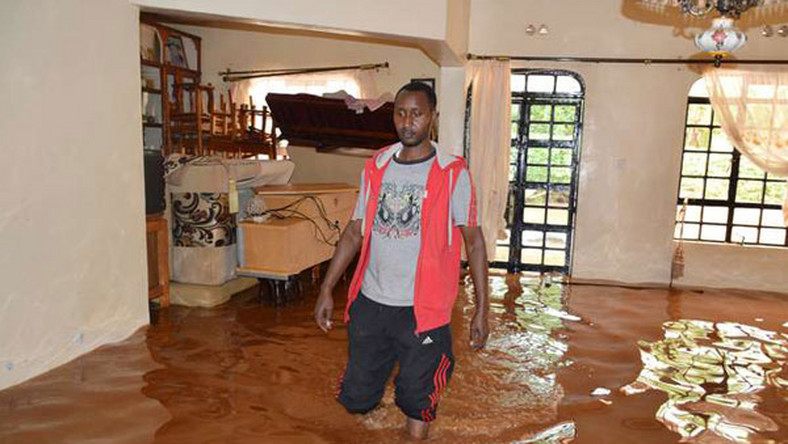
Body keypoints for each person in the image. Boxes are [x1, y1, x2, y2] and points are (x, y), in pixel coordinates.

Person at [313, 81, 489, 440]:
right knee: (357, 400)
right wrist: (326, 289)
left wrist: (483, 309)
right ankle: (382, 388)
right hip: (371, 305)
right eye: (401, 113)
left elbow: (474, 242)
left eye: (417, 114)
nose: (408, 122)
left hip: (424, 311)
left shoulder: (452, 172)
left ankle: (413, 413)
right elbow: (352, 233)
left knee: (417, 399)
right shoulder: (376, 166)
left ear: (432, 116)